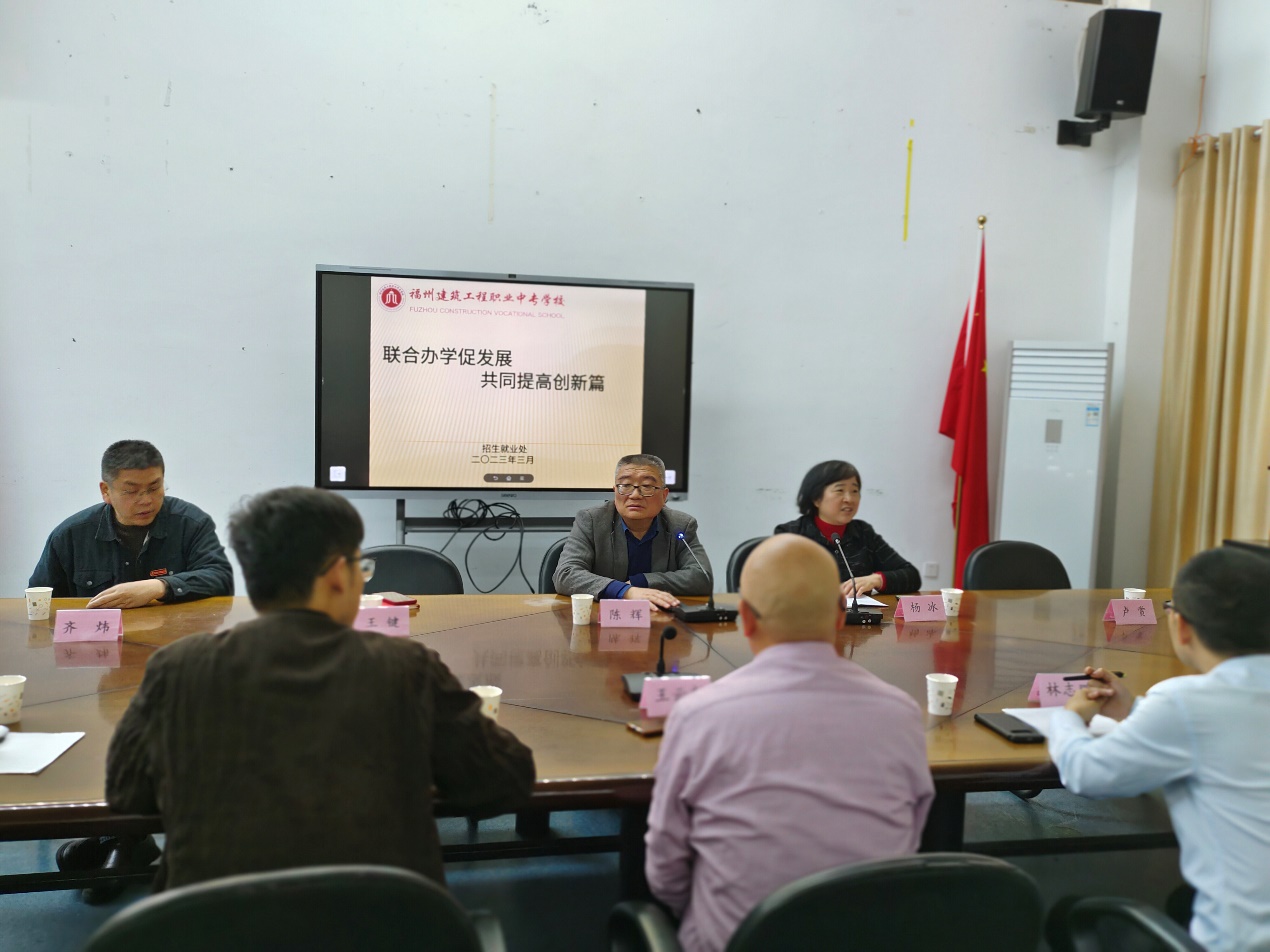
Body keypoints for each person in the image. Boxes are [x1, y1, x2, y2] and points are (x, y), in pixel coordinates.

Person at [103, 486, 536, 892]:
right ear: (336, 575)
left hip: (212, 926)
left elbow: (126, 793)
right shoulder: (403, 667)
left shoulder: (178, 670)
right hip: (382, 923)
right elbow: (502, 780)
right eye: (361, 567)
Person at [645, 534, 934, 952]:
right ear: (840, 616)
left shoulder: (699, 716)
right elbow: (912, 837)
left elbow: (665, 868)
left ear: (746, 619)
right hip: (868, 936)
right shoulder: (900, 714)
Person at [1051, 547, 1270, 952]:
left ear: (1181, 626)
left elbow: (1085, 774)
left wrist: (1068, 718)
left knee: (1066, 916)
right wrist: (1135, 712)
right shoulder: (1188, 707)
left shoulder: (1185, 701)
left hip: (1242, 943)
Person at [29, 439, 233, 608]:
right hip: (98, 641)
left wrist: (160, 587)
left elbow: (220, 577)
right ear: (106, 491)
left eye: (154, 488)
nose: (146, 500)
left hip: (174, 639)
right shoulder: (70, 536)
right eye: (131, 491)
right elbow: (39, 602)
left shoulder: (190, 523)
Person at [553, 454, 713, 610]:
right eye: (626, 486)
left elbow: (702, 576)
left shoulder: (680, 525)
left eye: (647, 486)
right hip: (602, 618)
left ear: (664, 495)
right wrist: (625, 591)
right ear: (615, 491)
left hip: (660, 617)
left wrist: (642, 582)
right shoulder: (592, 521)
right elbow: (566, 574)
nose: (635, 495)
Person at [774, 460, 920, 597]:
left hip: (859, 615)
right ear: (816, 499)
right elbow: (776, 586)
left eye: (854, 491)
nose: (849, 499)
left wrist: (876, 580)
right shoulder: (790, 534)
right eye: (840, 490)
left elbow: (911, 576)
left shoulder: (863, 532)